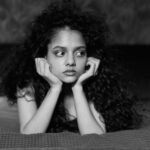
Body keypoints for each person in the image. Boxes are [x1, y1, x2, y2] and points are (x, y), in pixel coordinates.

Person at [1, 0, 141, 135]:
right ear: (43, 56)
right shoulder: (27, 86)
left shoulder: (94, 86)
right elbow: (29, 135)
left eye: (80, 53)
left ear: (88, 57)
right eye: (60, 53)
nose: (71, 62)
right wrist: (55, 88)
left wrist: (78, 88)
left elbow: (96, 135)